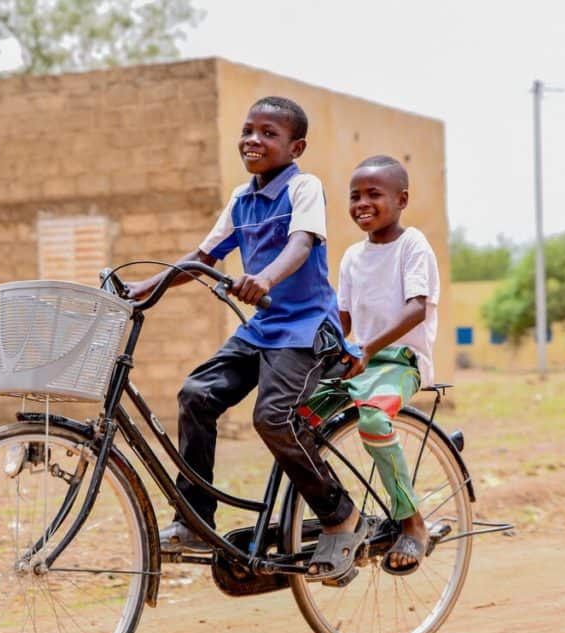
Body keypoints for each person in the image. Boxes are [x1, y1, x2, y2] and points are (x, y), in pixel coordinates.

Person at [125, 96, 366, 583]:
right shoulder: (241, 200)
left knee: (273, 418)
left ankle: (341, 516)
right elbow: (202, 257)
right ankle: (195, 521)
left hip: (304, 331)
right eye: (248, 130)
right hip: (261, 331)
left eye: (268, 133)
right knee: (196, 395)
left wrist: (267, 279)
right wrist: (139, 289)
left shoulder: (304, 188)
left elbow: (301, 244)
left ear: (295, 146)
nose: (254, 140)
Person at [300, 154, 440, 575]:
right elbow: (341, 318)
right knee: (295, 422)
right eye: (354, 196)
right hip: (358, 359)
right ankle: (340, 519)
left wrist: (367, 348)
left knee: (374, 421)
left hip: (399, 361)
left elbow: (417, 308)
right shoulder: (351, 258)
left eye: (373, 195)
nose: (362, 203)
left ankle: (412, 522)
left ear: (401, 200)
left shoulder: (412, 245)